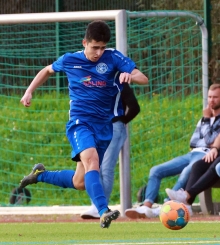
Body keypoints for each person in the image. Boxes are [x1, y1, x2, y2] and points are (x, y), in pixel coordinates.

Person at [19, 20, 148, 228]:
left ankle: (40, 175)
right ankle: (103, 211)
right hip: (80, 123)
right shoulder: (70, 60)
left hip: (104, 126)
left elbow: (143, 78)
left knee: (80, 181)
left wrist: (130, 75)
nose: (98, 52)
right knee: (92, 161)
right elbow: (47, 70)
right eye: (95, 47)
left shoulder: (113, 57)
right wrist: (29, 90)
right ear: (85, 42)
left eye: (102, 47)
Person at [125, 84, 220, 219]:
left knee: (188, 170)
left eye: (215, 97)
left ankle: (167, 206)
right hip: (193, 152)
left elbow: (209, 140)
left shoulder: (210, 118)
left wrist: (206, 121)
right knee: (155, 170)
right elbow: (193, 141)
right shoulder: (204, 119)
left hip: (206, 154)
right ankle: (146, 206)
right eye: (210, 97)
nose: (211, 100)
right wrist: (206, 129)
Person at [81, 83, 140, 219]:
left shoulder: (120, 83)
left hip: (114, 128)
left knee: (106, 168)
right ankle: (97, 206)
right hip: (96, 128)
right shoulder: (96, 82)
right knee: (94, 166)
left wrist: (121, 120)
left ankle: (100, 207)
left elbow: (135, 107)